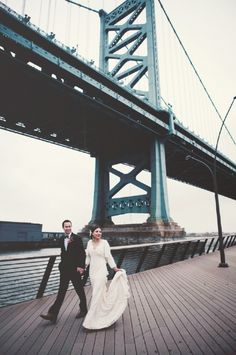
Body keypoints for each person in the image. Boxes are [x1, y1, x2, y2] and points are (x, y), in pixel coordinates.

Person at [83, 225, 130, 330]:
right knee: (99, 294)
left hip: (101, 272)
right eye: (96, 231)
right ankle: (103, 314)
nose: (99, 233)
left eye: (100, 231)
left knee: (96, 294)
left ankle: (90, 321)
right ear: (92, 233)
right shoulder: (89, 243)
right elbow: (88, 257)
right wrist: (84, 266)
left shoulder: (104, 243)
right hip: (92, 272)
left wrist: (114, 268)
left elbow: (108, 257)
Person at [40, 220, 87, 323]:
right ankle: (53, 314)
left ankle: (84, 310)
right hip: (65, 270)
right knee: (61, 292)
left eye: (69, 226)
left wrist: (81, 266)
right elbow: (64, 253)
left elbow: (82, 253)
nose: (68, 228)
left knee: (79, 291)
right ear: (63, 228)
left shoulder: (77, 238)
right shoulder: (62, 239)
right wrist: (60, 266)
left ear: (71, 227)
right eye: (66, 226)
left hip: (75, 270)